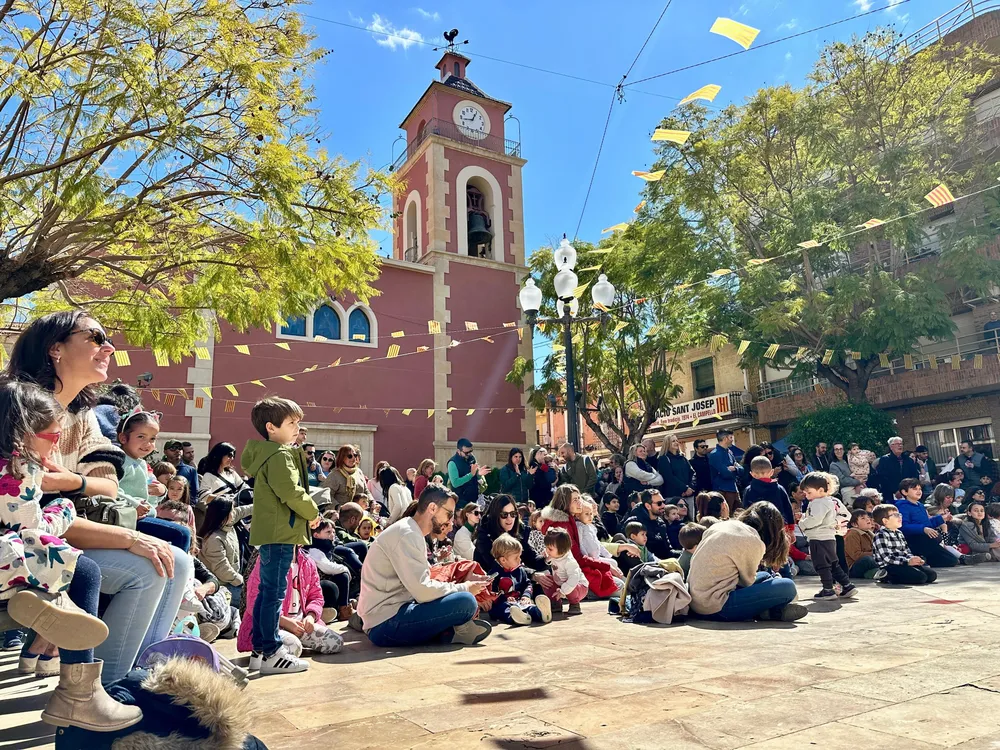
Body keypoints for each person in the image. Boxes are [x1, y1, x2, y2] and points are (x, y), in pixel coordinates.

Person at [7, 312, 191, 693]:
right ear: (55, 348)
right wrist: (126, 536)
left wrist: (69, 480)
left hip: (53, 531)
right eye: (94, 337)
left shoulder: (81, 415)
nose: (109, 346)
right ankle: (98, 692)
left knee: (177, 558)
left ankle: (139, 673)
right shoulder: (19, 410)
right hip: (20, 544)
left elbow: (107, 486)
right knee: (148, 568)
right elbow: (22, 517)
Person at [0, 380, 110, 667]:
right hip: (4, 565)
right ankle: (81, 690)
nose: (57, 442)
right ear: (23, 433)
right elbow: (31, 528)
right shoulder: (19, 468)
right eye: (53, 436)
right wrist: (64, 509)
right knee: (84, 571)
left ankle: (50, 608)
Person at [240, 397, 320, 675]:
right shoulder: (279, 456)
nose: (297, 427)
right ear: (272, 427)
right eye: (291, 423)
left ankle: (262, 651)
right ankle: (272, 650)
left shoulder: (269, 453)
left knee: (269, 591)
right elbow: (291, 492)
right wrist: (312, 512)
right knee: (274, 592)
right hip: (281, 531)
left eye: (298, 422)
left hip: (272, 530)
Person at [356, 485, 492, 646]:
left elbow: (425, 581)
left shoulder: (410, 530)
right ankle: (449, 631)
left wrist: (462, 580)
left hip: (388, 617)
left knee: (461, 599)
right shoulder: (407, 533)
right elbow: (423, 590)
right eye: (448, 514)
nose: (450, 521)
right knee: (466, 602)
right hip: (385, 624)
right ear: (432, 508)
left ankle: (448, 633)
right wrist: (465, 587)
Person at [687, 502, 805, 622]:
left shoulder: (720, 526)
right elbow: (747, 582)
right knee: (787, 587)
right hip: (717, 607)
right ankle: (770, 611)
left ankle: (767, 612)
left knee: (766, 576)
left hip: (695, 600)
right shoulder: (752, 540)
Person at [239, 546, 343, 663]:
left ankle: (297, 641)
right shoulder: (267, 560)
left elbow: (316, 596)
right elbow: (254, 601)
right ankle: (275, 648)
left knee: (335, 642)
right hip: (275, 625)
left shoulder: (308, 562)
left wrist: (311, 616)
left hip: (300, 624)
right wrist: (285, 622)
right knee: (294, 648)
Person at [114, 409, 192, 551]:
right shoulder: (118, 460)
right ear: (123, 438)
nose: (148, 443)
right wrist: (134, 504)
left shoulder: (142, 464)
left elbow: (151, 492)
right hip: (125, 518)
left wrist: (161, 491)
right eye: (141, 437)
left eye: (152, 439)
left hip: (145, 515)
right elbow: (111, 489)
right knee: (181, 533)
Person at [541, 485, 619, 599]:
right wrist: (606, 566)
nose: (580, 503)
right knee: (620, 587)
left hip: (574, 569)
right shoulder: (561, 526)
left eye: (579, 499)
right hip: (569, 576)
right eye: (575, 500)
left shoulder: (569, 520)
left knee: (618, 579)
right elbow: (577, 558)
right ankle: (583, 594)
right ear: (565, 502)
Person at [797, 472, 856, 600]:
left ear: (821, 490)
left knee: (821, 565)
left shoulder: (818, 502)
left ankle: (828, 590)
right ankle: (847, 585)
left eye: (809, 492)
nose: (806, 496)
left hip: (818, 538)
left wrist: (802, 523)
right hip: (829, 537)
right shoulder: (830, 501)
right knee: (834, 564)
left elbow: (815, 520)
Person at [489, 534, 552, 626]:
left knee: (529, 607)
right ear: (503, 560)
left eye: (519, 556)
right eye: (516, 557)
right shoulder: (494, 574)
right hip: (503, 603)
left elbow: (527, 584)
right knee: (502, 609)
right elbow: (490, 592)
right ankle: (517, 617)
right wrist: (503, 598)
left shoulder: (520, 570)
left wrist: (526, 596)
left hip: (519, 601)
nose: (520, 560)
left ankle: (541, 613)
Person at [896, 477, 959, 568]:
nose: (918, 491)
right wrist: (923, 529)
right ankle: (919, 559)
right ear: (905, 492)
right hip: (913, 540)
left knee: (952, 561)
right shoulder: (901, 507)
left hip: (928, 540)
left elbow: (928, 523)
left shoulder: (920, 506)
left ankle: (926, 560)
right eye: (914, 489)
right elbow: (903, 526)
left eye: (920, 489)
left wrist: (942, 518)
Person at [474, 494, 545, 576]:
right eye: (504, 515)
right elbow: (500, 568)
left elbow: (531, 559)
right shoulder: (484, 537)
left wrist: (549, 558)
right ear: (495, 516)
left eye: (513, 514)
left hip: (516, 580)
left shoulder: (520, 531)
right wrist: (532, 575)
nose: (509, 518)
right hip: (489, 582)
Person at [198, 497, 253, 601]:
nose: (234, 513)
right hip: (223, 585)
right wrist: (243, 582)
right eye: (232, 510)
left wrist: (263, 505)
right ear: (223, 515)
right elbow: (223, 570)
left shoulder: (227, 522)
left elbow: (243, 511)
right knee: (251, 600)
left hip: (233, 579)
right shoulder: (214, 540)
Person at [872, 504, 938, 585]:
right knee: (920, 578)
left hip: (904, 563)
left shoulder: (899, 533)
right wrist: (907, 562)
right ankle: (886, 576)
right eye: (895, 515)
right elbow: (887, 558)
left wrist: (913, 559)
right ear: (885, 521)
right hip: (890, 566)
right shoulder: (881, 534)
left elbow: (906, 551)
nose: (900, 517)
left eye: (899, 514)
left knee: (931, 575)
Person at [196, 442, 251, 527]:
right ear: (219, 455)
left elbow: (244, 487)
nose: (231, 458)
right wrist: (226, 500)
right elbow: (204, 496)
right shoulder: (208, 476)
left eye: (233, 456)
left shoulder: (231, 473)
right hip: (220, 516)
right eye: (229, 455)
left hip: (236, 513)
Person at [537, 527, 588, 615]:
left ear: (562, 549)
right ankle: (555, 603)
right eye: (546, 547)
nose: (547, 550)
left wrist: (563, 591)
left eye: (550, 549)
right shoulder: (554, 554)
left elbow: (574, 578)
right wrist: (546, 559)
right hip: (561, 583)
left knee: (571, 585)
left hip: (578, 587)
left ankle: (574, 604)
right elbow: (550, 562)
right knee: (546, 580)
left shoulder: (569, 561)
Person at [622, 488, 673, 559]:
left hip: (663, 562)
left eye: (663, 502)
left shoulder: (661, 523)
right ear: (648, 506)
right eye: (659, 503)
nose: (663, 506)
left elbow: (668, 550)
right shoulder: (634, 523)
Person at [742, 456, 794, 525]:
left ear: (752, 474)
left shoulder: (748, 490)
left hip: (756, 527)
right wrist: (791, 526)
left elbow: (746, 510)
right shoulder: (779, 489)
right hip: (777, 526)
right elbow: (788, 508)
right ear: (772, 472)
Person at [658, 433, 695, 518]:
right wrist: (685, 488)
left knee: (690, 520)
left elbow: (692, 473)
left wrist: (691, 487)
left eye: (677, 440)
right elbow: (669, 477)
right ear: (667, 444)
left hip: (689, 495)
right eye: (673, 441)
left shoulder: (683, 458)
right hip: (673, 496)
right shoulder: (664, 459)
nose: (676, 443)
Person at [708, 429, 744, 513]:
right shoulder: (715, 454)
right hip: (722, 491)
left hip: (734, 489)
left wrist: (735, 469)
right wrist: (736, 471)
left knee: (739, 514)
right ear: (725, 438)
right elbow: (726, 474)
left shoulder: (730, 453)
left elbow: (742, 470)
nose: (732, 440)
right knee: (726, 515)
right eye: (731, 437)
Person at [448, 438, 488, 510]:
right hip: (461, 501)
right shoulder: (452, 463)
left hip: (474, 498)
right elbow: (455, 483)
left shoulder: (472, 458)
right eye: (466, 453)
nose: (469, 454)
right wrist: (470, 475)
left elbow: (476, 474)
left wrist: (479, 474)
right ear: (458, 451)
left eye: (471, 451)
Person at [844, 509, 880, 579]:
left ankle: (873, 573)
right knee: (867, 560)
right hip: (853, 568)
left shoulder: (870, 534)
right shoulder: (852, 534)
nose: (867, 520)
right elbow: (856, 555)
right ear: (854, 524)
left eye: (868, 518)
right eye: (863, 518)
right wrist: (876, 554)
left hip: (869, 563)